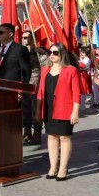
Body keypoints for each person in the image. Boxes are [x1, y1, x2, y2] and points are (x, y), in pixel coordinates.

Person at [35, 43, 81, 181]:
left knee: (64, 137)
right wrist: (38, 109)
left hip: (65, 107)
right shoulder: (45, 69)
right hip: (48, 106)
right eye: (50, 52)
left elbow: (76, 93)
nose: (52, 55)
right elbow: (40, 91)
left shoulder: (71, 70)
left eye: (55, 52)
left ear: (62, 54)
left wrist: (75, 112)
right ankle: (53, 167)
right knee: (51, 136)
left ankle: (63, 168)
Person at [20, 30, 42, 144]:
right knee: (25, 107)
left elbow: (43, 66)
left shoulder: (38, 51)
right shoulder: (21, 51)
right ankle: (26, 131)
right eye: (23, 37)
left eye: (26, 37)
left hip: (35, 78)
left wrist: (41, 52)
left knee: (35, 106)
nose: (24, 39)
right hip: (24, 80)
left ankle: (37, 133)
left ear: (33, 38)